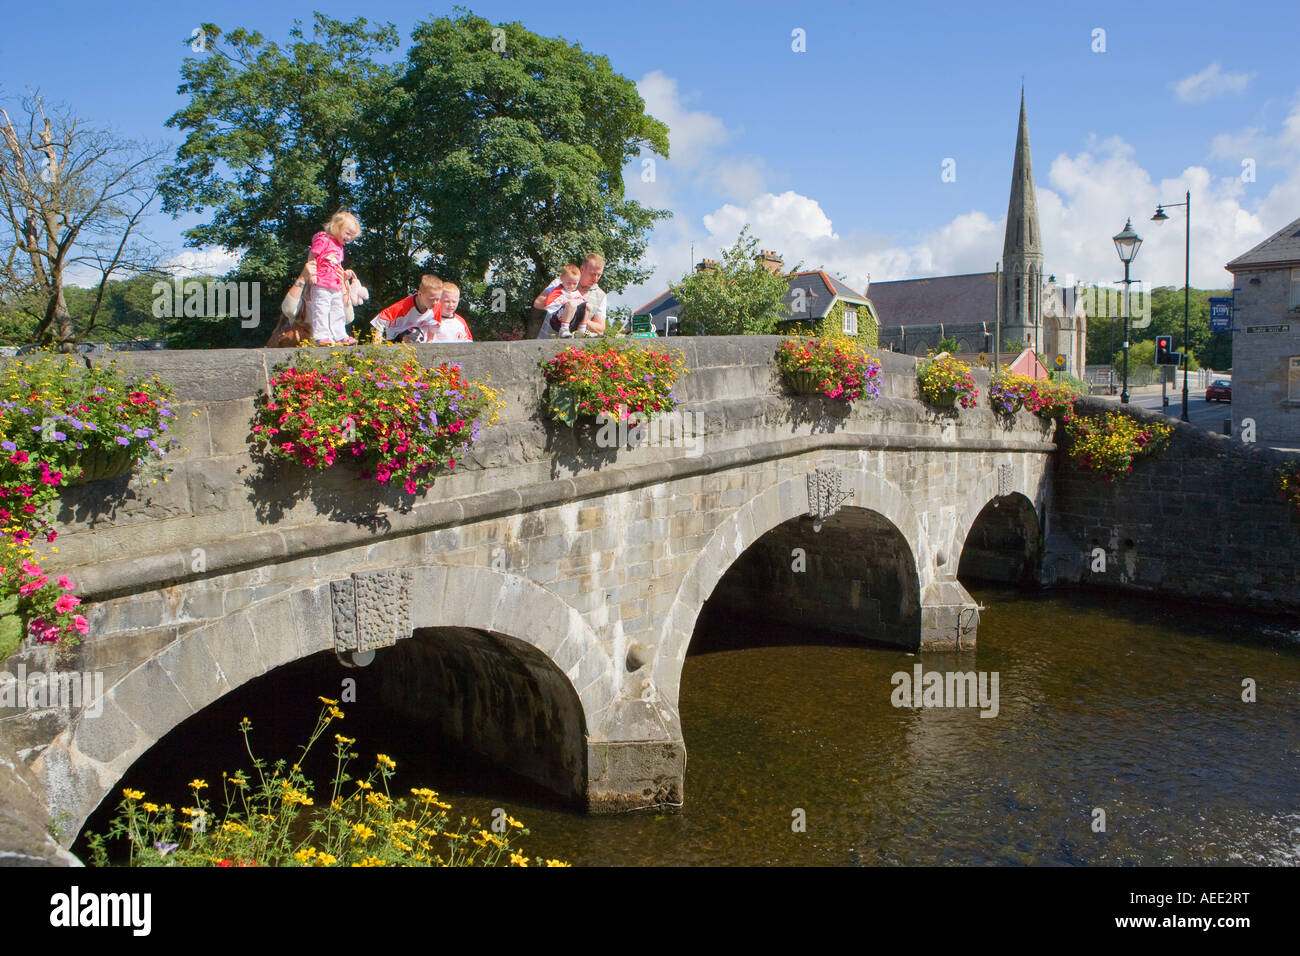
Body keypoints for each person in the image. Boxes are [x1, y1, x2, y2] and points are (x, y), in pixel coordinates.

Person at [309, 210, 361, 345]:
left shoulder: (339, 247)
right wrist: (313, 274)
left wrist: (343, 276)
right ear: (337, 227)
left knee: (338, 310)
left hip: (335, 284)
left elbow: (336, 265)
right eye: (347, 233)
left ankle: (340, 336)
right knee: (321, 309)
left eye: (352, 236)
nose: (349, 238)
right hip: (321, 282)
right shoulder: (323, 239)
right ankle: (322, 336)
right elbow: (312, 256)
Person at [535, 253, 607, 339]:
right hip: (545, 343)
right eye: (592, 274)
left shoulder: (601, 295)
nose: (595, 278)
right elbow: (537, 303)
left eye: (599, 275)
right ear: (582, 269)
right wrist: (561, 304)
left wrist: (578, 318)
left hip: (574, 350)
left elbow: (600, 330)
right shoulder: (560, 282)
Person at [371, 275, 443, 342]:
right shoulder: (403, 306)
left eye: (438, 299)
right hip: (395, 337)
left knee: (416, 333)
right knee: (413, 332)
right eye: (431, 299)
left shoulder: (437, 306)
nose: (435, 302)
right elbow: (379, 320)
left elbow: (433, 327)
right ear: (420, 294)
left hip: (416, 336)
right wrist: (377, 344)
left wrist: (429, 344)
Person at [537, 264, 586, 338]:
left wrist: (578, 302)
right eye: (569, 283)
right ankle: (564, 328)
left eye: (574, 284)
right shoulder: (558, 290)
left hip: (573, 318)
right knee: (571, 304)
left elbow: (582, 302)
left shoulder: (576, 293)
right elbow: (548, 302)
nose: (571, 286)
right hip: (557, 318)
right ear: (562, 279)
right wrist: (566, 301)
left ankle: (582, 330)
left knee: (588, 306)